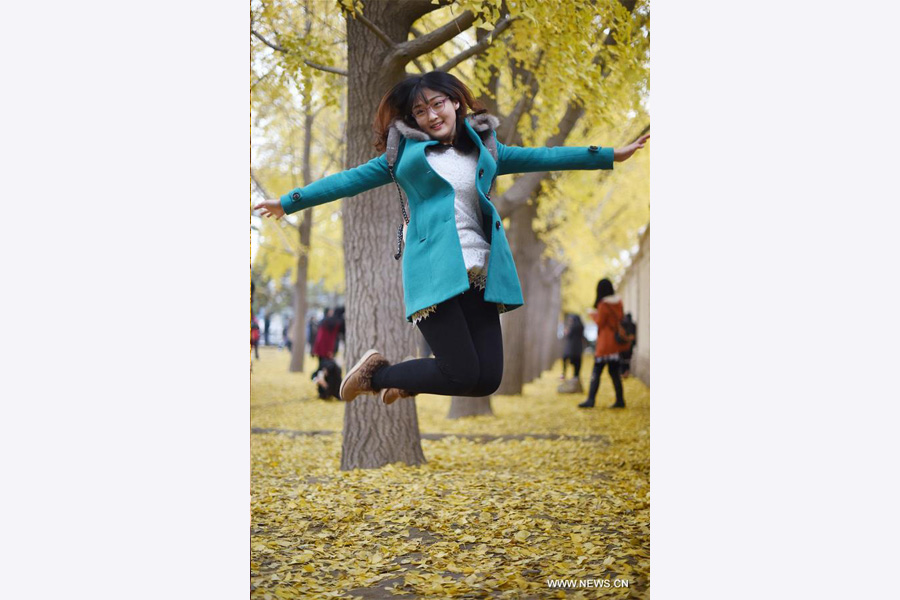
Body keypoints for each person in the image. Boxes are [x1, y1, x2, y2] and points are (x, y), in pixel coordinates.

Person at [254, 71, 648, 406]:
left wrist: (609, 154)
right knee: (461, 371)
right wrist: (288, 203)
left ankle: (407, 378)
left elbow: (546, 157)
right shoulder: (403, 156)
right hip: (434, 269)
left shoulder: (487, 149)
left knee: (486, 378)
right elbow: (348, 181)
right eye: (420, 112)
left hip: (480, 271)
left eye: (437, 104)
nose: (431, 116)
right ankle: (378, 373)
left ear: (456, 102)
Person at [579, 279, 629, 409]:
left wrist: (593, 315)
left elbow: (600, 322)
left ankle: (591, 400)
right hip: (615, 344)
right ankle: (620, 400)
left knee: (596, 372)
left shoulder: (603, 305)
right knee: (614, 373)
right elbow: (620, 318)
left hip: (604, 344)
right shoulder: (619, 303)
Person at [620, 312, 637, 377]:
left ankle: (623, 372)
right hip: (629, 344)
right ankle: (626, 372)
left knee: (623, 360)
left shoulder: (623, 324)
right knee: (627, 360)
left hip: (625, 344)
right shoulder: (632, 325)